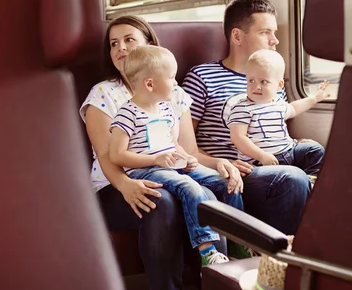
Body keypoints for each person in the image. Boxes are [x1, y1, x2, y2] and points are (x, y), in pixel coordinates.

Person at [80, 15, 243, 290]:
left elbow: (181, 148)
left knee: (219, 186)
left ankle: (230, 267)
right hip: (116, 182)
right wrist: (126, 185)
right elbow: (109, 155)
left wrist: (217, 164)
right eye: (113, 43)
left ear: (150, 46)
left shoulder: (172, 93)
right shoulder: (104, 95)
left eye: (129, 40)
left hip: (168, 168)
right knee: (161, 199)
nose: (120, 48)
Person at [182, 0, 318, 236]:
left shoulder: (273, 79)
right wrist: (221, 164)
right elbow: (185, 144)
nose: (274, 40)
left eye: (273, 32)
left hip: (273, 159)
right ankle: (279, 258)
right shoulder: (201, 77)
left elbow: (276, 128)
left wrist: (297, 143)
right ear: (237, 37)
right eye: (266, 32)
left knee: (324, 156)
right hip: (236, 172)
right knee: (293, 178)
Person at [109, 45, 244, 266]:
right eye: (171, 78)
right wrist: (155, 159)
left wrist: (186, 159)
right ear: (150, 84)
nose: (175, 83)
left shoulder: (166, 108)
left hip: (172, 165)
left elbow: (173, 145)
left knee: (227, 181)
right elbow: (117, 155)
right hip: (147, 170)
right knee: (190, 187)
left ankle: (239, 241)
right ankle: (207, 251)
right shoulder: (127, 114)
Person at [227, 49, 328, 182]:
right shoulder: (242, 108)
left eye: (263, 82)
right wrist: (261, 155)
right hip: (259, 161)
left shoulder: (278, 103)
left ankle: (312, 182)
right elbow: (238, 137)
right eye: (251, 81)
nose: (256, 86)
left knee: (315, 150)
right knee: (290, 176)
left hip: (288, 150)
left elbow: (294, 108)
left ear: (279, 85)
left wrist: (314, 98)